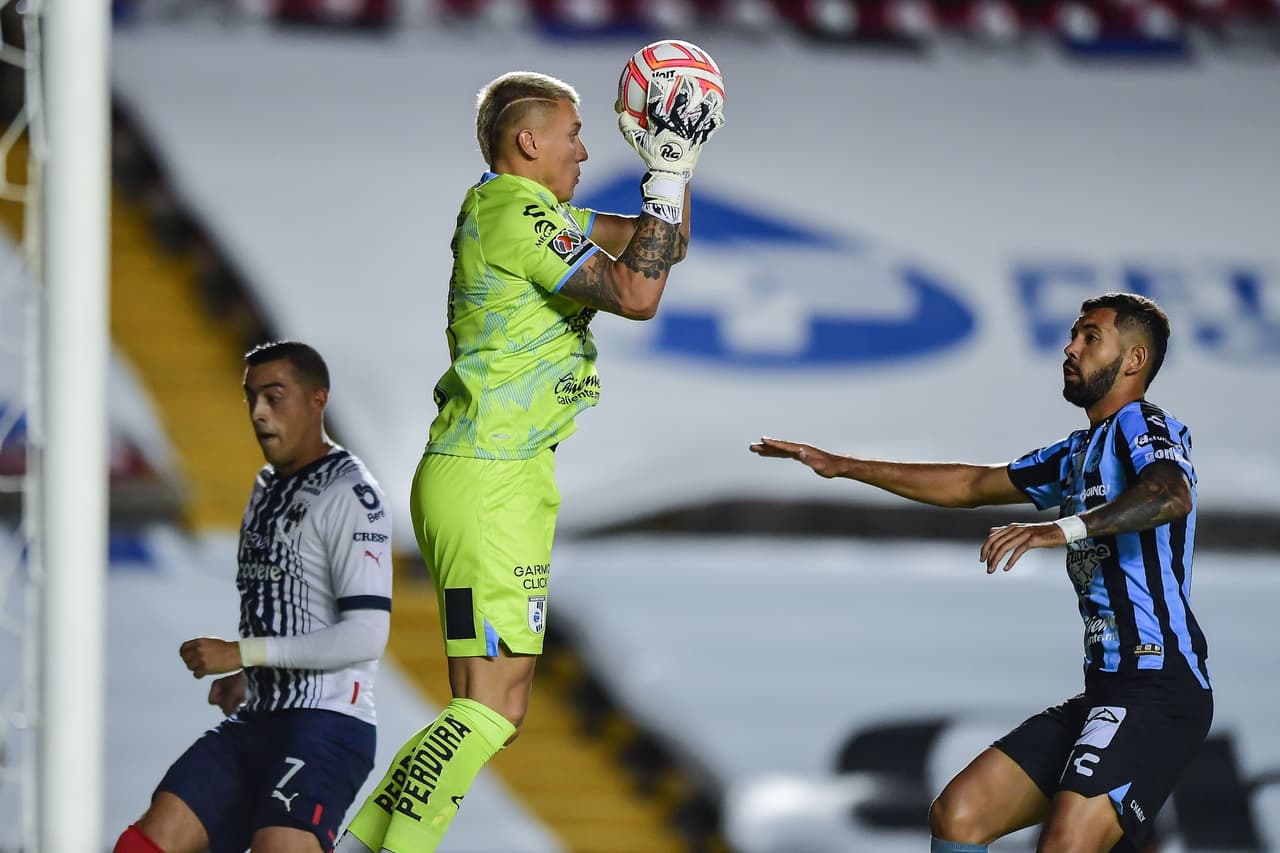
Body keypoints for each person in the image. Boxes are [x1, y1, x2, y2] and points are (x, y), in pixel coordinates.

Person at [333, 69, 723, 853]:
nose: (585, 149)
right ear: (529, 140)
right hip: (487, 476)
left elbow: (665, 246)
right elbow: (636, 293)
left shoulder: (539, 211)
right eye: (574, 134)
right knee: (486, 705)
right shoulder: (511, 212)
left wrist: (668, 173)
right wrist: (668, 174)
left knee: (498, 709)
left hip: (504, 477)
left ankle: (365, 842)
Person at [751, 293, 1211, 853]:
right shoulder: (1077, 453)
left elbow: (1169, 494)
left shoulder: (1144, 424)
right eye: (1073, 335)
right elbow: (971, 484)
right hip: (1108, 690)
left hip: (1159, 689)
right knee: (959, 814)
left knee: (1065, 845)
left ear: (1134, 360)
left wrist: (1058, 530)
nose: (1071, 348)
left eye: (1091, 337)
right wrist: (845, 466)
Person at [113, 341, 394, 853]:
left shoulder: (351, 495)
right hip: (260, 718)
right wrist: (254, 676)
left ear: (317, 400)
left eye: (274, 396)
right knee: (144, 845)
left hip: (325, 727)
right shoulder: (267, 488)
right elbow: (299, 609)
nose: (259, 413)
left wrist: (242, 653)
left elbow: (367, 633)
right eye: (251, 399)